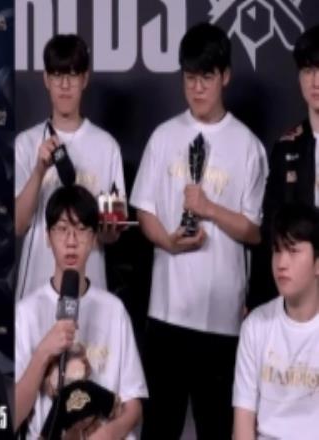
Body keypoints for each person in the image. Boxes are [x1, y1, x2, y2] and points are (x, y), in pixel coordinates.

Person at [130, 22, 268, 439]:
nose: (197, 88)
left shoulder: (248, 146)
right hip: (167, 312)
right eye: (190, 78)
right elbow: (144, 210)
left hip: (222, 318)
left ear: (225, 76)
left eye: (206, 77)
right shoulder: (163, 137)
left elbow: (254, 231)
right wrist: (167, 242)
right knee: (159, 429)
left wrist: (209, 209)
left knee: (217, 429)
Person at [15, 185, 148, 439]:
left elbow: (134, 405)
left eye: (81, 229)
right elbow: (13, 416)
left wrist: (108, 433)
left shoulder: (114, 310)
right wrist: (43, 352)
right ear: (47, 237)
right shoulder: (26, 313)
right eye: (62, 229)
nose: (71, 241)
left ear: (94, 237)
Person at [15, 34, 126, 301]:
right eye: (57, 75)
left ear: (84, 79)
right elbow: (18, 225)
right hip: (37, 291)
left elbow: (113, 231)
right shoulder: (26, 143)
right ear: (46, 79)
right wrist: (39, 171)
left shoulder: (107, 146)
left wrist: (110, 229)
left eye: (73, 75)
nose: (65, 85)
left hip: (90, 288)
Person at [233, 203, 319, 440]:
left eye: (293, 251)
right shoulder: (256, 326)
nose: (281, 263)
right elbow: (243, 422)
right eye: (277, 250)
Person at [249, 24, 319, 310]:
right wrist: (255, 298)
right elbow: (270, 229)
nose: (315, 81)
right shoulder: (286, 147)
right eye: (308, 70)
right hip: (297, 297)